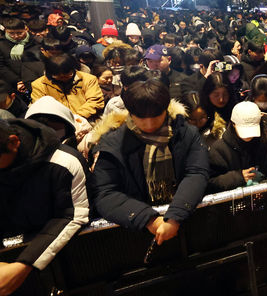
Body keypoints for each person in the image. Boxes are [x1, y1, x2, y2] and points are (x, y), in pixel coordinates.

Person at [92, 79, 209, 244]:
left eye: (156, 116)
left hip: (186, 219)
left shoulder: (185, 133)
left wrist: (175, 216)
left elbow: (196, 172)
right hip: (136, 231)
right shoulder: (112, 144)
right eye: (140, 117)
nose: (149, 124)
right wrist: (149, 219)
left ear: (165, 110)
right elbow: (105, 193)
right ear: (130, 113)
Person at [0, 117, 90, 295]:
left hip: (67, 259)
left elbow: (72, 216)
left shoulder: (64, 161)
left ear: (13, 142)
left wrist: (23, 265)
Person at [207, 102, 267, 192]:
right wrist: (238, 177)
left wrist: (266, 186)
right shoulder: (219, 150)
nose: (248, 136)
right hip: (232, 202)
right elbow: (210, 182)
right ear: (233, 124)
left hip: (266, 197)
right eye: (244, 129)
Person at [30, 54, 105, 120]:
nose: (63, 78)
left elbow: (95, 101)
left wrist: (78, 117)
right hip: (57, 123)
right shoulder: (39, 85)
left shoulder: (88, 79)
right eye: (59, 76)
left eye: (67, 75)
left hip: (86, 119)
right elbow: (41, 108)